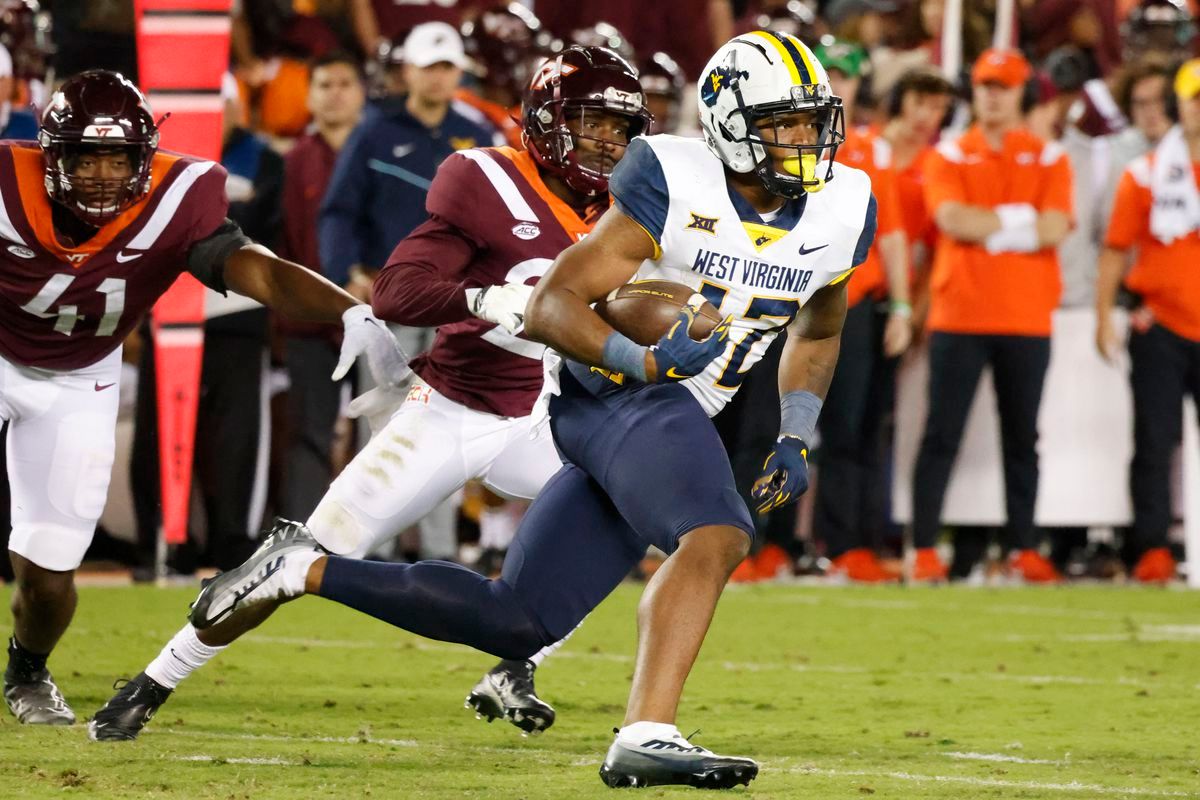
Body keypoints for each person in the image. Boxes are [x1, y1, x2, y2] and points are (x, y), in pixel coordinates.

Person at [182, 30, 876, 789]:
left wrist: (796, 432)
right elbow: (551, 304)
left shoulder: (843, 206)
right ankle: (647, 731)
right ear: (729, 122)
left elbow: (820, 323)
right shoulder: (675, 177)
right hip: (614, 393)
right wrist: (637, 361)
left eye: (813, 122)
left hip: (676, 409)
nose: (805, 141)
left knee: (514, 618)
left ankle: (301, 569)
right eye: (785, 123)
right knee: (716, 533)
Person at [88, 45, 652, 742]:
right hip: (448, 413)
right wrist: (480, 295)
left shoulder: (630, 213)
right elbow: (396, 290)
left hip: (540, 417)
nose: (608, 141)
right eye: (592, 121)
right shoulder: (486, 178)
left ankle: (517, 664)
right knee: (302, 558)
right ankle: (154, 680)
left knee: (636, 507)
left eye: (620, 128)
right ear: (546, 120)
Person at [0, 71, 409, 726]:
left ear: (145, 159)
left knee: (49, 577)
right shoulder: (6, 182)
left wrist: (350, 312)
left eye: (119, 157)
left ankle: (26, 668)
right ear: (52, 156)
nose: (104, 174)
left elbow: (258, 268)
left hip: (80, 377)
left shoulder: (177, 196)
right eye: (86, 156)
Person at [911, 49, 1073, 583]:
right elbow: (950, 219)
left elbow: (1055, 229)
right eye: (984, 85)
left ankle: (1023, 546)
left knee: (1022, 437)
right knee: (942, 434)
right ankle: (924, 547)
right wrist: (1021, 223)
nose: (992, 95)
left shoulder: (1049, 157)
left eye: (1002, 85)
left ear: (1021, 91)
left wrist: (991, 227)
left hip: (1026, 316)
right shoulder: (950, 154)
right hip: (960, 312)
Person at [1096, 58, 1200, 584]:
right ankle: (1153, 547)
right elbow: (1115, 249)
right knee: (1154, 442)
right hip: (1161, 324)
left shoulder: (1149, 169)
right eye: (1194, 96)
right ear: (1178, 104)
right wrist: (1103, 314)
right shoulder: (1146, 172)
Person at [812, 37, 912, 583]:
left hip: (866, 302)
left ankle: (859, 543)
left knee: (867, 426)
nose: (837, 84)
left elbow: (892, 232)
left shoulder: (873, 150)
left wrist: (900, 305)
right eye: (829, 74)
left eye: (845, 75)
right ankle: (831, 542)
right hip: (815, 302)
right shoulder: (796, 139)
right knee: (826, 427)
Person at [276, 51, 368, 522]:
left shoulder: (381, 151)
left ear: (362, 92)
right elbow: (283, 243)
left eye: (344, 83)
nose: (335, 94)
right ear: (309, 96)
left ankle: (372, 540)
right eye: (324, 84)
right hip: (311, 322)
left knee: (382, 434)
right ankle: (303, 536)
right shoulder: (291, 163)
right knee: (309, 432)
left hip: (382, 316)